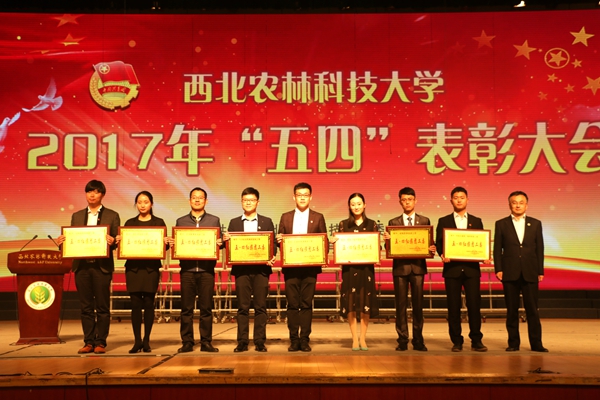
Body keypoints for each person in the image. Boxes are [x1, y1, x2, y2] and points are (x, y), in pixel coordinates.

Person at [56, 180, 120, 354]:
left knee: (102, 307)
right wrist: (62, 242)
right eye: (89, 191)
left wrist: (113, 241)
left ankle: (101, 342)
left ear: (102, 195)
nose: (92, 195)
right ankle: (88, 342)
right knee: (85, 307)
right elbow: (73, 240)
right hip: (82, 267)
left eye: (96, 192)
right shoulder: (76, 216)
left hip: (101, 267)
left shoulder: (112, 215)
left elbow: (117, 241)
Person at [223, 187, 277, 353]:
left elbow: (272, 244)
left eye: (252, 200)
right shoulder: (234, 223)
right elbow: (230, 247)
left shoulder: (266, 222)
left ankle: (260, 341)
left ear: (257, 202)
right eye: (245, 200)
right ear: (241, 202)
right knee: (242, 307)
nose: (248, 203)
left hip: (261, 270)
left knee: (261, 307)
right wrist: (226, 240)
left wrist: (272, 255)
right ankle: (242, 342)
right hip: (241, 271)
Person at [436, 187, 489, 352]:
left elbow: (480, 243)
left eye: (462, 197)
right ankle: (456, 341)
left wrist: (484, 255)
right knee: (453, 307)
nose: (459, 200)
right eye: (456, 197)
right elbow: (439, 243)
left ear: (467, 200)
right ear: (451, 200)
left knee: (474, 306)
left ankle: (476, 340)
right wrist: (443, 254)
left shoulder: (476, 221)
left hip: (471, 270)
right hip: (452, 269)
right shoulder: (443, 221)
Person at [493, 191, 547, 352]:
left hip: (530, 271)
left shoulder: (535, 223)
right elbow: (497, 249)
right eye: (514, 202)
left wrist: (540, 270)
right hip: (509, 271)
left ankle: (536, 343)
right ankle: (513, 343)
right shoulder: (501, 224)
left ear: (526, 205)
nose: (518, 205)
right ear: (509, 205)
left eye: (521, 202)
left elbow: (540, 248)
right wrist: (498, 268)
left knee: (533, 310)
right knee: (512, 310)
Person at [276, 182, 327, 352]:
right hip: (291, 268)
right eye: (299, 195)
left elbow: (323, 241)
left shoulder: (318, 217)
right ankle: (293, 339)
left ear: (311, 197)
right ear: (294, 197)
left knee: (306, 304)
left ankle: (304, 339)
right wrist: (279, 241)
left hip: (310, 268)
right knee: (292, 304)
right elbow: (280, 243)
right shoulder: (285, 217)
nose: (302, 198)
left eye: (306, 195)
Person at [385, 187, 435, 351]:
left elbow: (429, 244)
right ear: (400, 202)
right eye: (404, 200)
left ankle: (418, 340)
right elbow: (389, 249)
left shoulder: (424, 221)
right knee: (400, 306)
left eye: (410, 199)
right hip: (400, 269)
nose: (407, 202)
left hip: (418, 268)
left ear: (415, 201)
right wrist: (387, 241)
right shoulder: (393, 223)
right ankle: (402, 340)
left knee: (418, 306)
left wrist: (432, 248)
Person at [117, 191, 168, 354]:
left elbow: (164, 247)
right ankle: (137, 341)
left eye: (146, 202)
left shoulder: (159, 222)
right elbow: (124, 246)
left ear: (151, 204)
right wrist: (120, 241)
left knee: (149, 304)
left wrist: (166, 242)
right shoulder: (129, 223)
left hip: (150, 269)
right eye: (139, 202)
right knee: (135, 305)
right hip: (133, 269)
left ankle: (146, 340)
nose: (143, 205)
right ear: (136, 204)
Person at [174, 187, 223, 353]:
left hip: (206, 271)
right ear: (189, 200)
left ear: (206, 201)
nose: (197, 200)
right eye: (194, 197)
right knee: (186, 309)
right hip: (187, 271)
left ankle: (206, 342)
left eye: (200, 197)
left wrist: (220, 243)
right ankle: (187, 342)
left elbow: (219, 243)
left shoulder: (214, 221)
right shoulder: (181, 221)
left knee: (206, 308)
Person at [334, 193, 379, 351]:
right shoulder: (343, 224)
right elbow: (340, 247)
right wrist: (334, 242)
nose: (356, 207)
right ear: (349, 206)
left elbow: (377, 247)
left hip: (366, 270)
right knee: (351, 303)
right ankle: (354, 339)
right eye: (353, 204)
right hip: (349, 269)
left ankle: (363, 339)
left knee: (366, 302)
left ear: (364, 205)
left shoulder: (372, 224)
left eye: (359, 204)